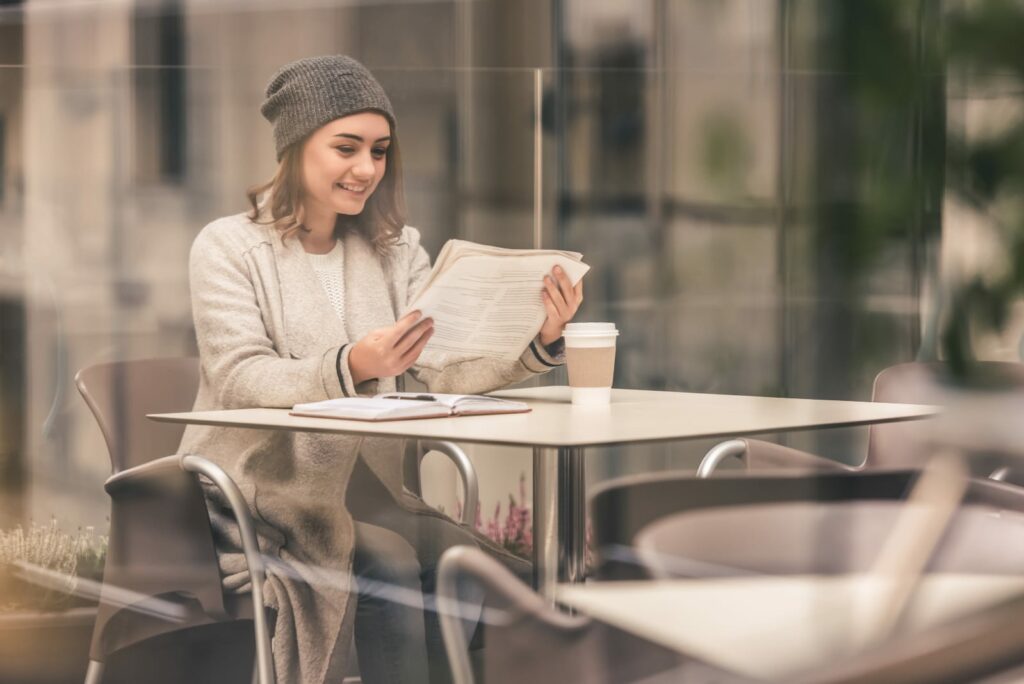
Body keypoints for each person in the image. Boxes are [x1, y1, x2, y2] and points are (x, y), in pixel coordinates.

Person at [178, 55, 582, 684]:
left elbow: (438, 371)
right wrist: (352, 365)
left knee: (473, 564)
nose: (366, 169)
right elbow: (240, 376)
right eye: (346, 147)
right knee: (391, 562)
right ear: (294, 146)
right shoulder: (228, 248)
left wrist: (538, 342)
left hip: (371, 497)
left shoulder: (396, 253)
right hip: (257, 498)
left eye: (380, 150)